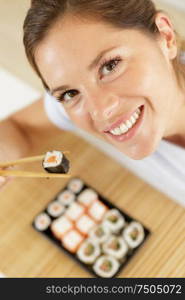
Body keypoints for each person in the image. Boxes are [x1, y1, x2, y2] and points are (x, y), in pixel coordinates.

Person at [1, 0, 185, 204]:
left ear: (165, 36)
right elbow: (21, 127)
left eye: (110, 66)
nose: (100, 111)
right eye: (70, 93)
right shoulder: (78, 104)